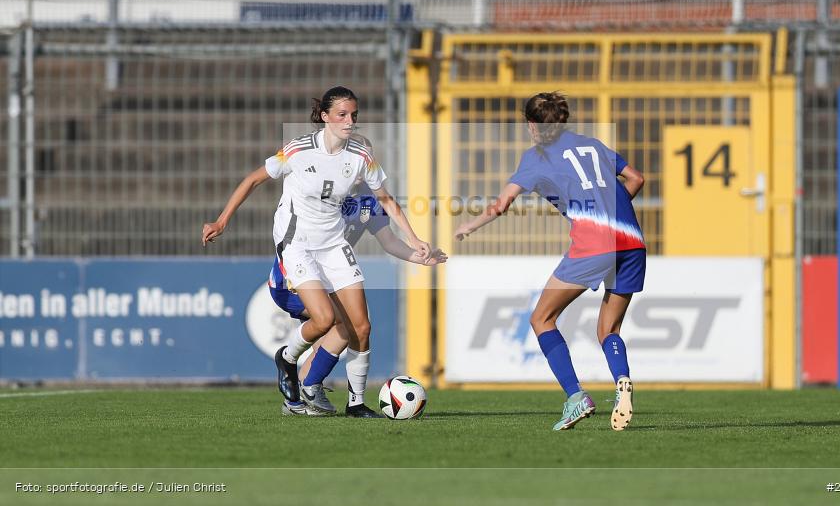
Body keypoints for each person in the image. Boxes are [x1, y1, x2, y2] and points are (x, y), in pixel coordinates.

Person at [202, 86, 430, 418]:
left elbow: (387, 202)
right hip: (297, 245)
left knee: (360, 327)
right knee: (325, 320)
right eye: (342, 115)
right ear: (324, 117)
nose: (349, 121)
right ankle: (288, 359)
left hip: (333, 245)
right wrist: (222, 221)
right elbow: (252, 180)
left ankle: (355, 404)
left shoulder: (361, 157)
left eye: (354, 115)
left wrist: (415, 241)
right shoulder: (297, 150)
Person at [453, 92, 646, 432]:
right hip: (632, 240)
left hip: (594, 244)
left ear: (531, 124)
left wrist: (469, 225)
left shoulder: (536, 157)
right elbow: (636, 179)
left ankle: (576, 397)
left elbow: (501, 205)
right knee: (609, 329)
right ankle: (622, 381)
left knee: (542, 318)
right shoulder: (593, 145)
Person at [272, 155, 447, 417]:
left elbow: (388, 241)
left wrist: (418, 257)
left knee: (347, 326)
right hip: (290, 280)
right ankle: (306, 381)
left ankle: (304, 395)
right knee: (346, 324)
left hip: (330, 280)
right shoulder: (322, 189)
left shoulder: (368, 199)